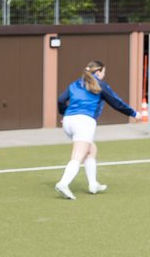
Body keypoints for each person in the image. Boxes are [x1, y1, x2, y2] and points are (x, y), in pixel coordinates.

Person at [54, 60, 139, 199]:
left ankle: (93, 184)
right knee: (77, 156)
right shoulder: (100, 85)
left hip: (68, 122)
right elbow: (116, 102)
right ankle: (63, 183)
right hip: (84, 122)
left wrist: (65, 114)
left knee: (91, 150)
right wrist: (134, 113)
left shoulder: (75, 84)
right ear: (98, 72)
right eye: (104, 72)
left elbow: (60, 100)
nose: (104, 75)